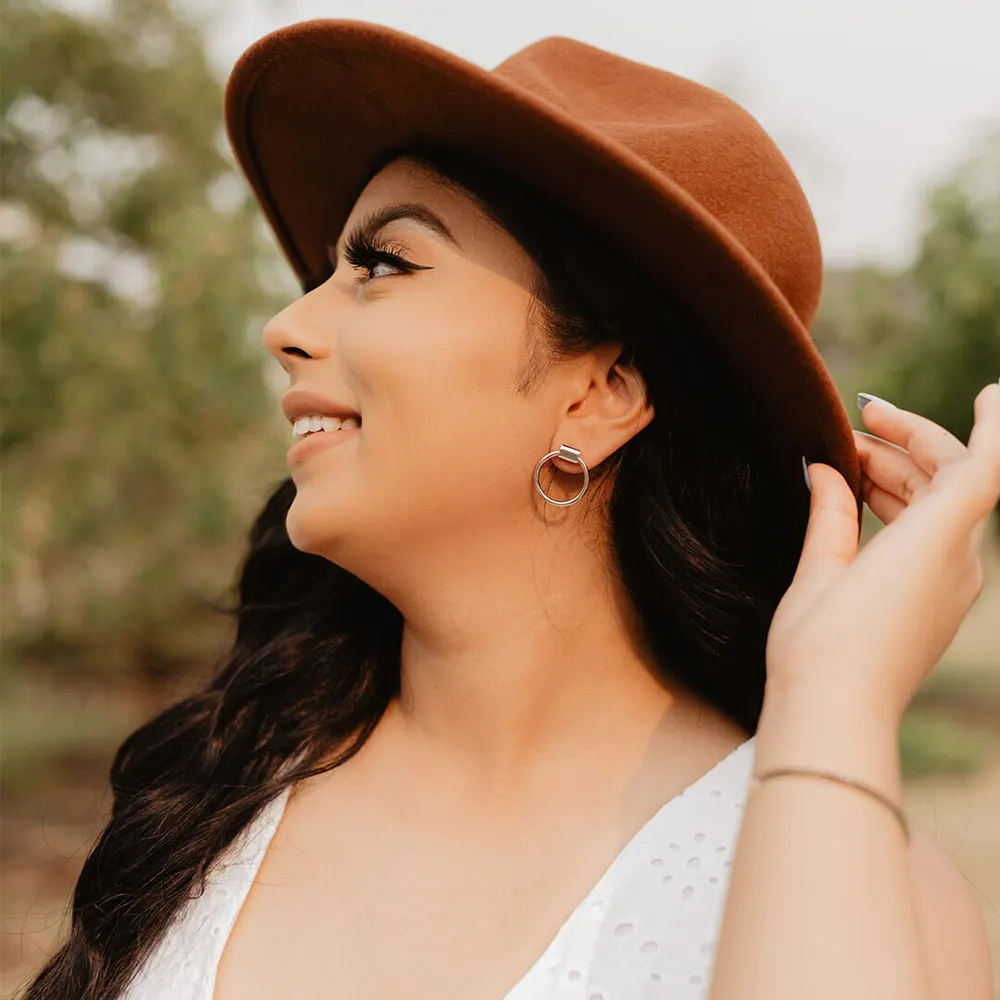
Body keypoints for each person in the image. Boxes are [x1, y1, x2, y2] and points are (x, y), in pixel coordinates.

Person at [21, 20, 997, 1000]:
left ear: (600, 391)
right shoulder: (211, 789)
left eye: (383, 265)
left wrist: (832, 696)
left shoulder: (864, 884)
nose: (286, 324)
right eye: (324, 272)